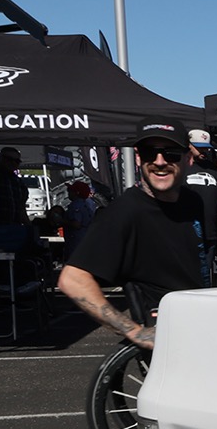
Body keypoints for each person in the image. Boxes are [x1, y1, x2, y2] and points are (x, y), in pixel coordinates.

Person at [58, 118, 205, 351]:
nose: (159, 161)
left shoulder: (192, 200)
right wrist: (134, 332)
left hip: (201, 324)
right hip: (168, 338)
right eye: (149, 153)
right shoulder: (124, 212)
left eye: (171, 153)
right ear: (138, 158)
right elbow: (72, 280)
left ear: (188, 158)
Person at [183, 129, 217, 285]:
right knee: (187, 271)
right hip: (186, 230)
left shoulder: (215, 171)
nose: (203, 151)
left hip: (210, 231)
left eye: (206, 148)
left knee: (206, 272)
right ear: (189, 145)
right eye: (199, 147)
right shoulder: (181, 168)